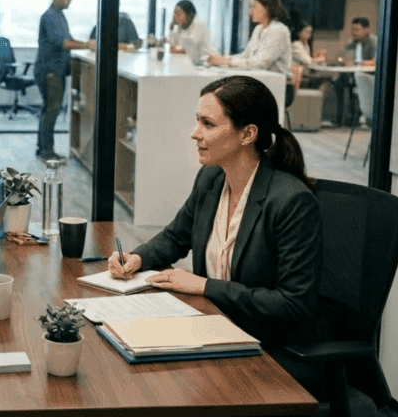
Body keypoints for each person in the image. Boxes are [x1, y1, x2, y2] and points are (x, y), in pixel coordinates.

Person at [107, 75, 322, 388]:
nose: (195, 134)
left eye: (208, 124)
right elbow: (175, 237)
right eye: (198, 121)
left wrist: (206, 286)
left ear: (247, 134)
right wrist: (137, 258)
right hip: (215, 329)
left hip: (272, 349)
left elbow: (293, 304)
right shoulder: (211, 179)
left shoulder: (291, 201)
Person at [34, 0, 95, 162]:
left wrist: (85, 43)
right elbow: (64, 44)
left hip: (52, 69)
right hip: (50, 71)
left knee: (49, 109)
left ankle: (43, 148)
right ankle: (47, 151)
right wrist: (86, 45)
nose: (70, 0)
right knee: (52, 109)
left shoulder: (58, 15)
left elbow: (68, 40)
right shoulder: (51, 17)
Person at [208, 0, 295, 107]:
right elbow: (246, 56)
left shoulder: (278, 30)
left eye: (254, 6)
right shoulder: (259, 29)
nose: (250, 11)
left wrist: (227, 61)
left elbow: (260, 63)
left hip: (279, 88)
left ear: (267, 8)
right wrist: (222, 60)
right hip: (263, 84)